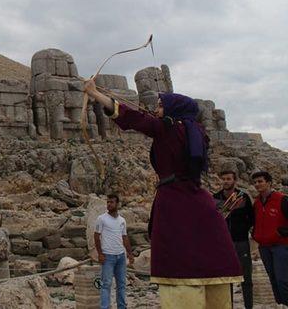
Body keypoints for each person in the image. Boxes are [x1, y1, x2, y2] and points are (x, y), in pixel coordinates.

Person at [84, 80, 241, 309]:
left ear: (173, 109)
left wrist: (94, 92)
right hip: (201, 202)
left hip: (174, 203)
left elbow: (132, 118)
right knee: (211, 259)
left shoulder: (167, 128)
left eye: (160, 106)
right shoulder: (197, 132)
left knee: (177, 260)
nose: (157, 110)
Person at [213, 170, 254, 309]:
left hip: (241, 241)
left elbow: (251, 218)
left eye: (228, 178)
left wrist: (243, 230)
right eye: (223, 178)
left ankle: (249, 306)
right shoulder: (215, 197)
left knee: (246, 277)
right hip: (223, 244)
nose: (226, 181)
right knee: (226, 277)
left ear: (234, 180)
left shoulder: (243, 197)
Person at [251, 170, 288, 305]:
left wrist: (281, 232)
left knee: (282, 279)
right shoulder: (257, 203)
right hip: (264, 247)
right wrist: (256, 236)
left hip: (281, 246)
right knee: (273, 279)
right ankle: (281, 305)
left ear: (269, 182)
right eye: (255, 182)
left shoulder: (282, 199)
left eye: (260, 181)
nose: (257, 184)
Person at [94, 194, 134, 309]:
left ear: (117, 204)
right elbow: (96, 236)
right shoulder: (101, 219)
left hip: (121, 256)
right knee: (106, 284)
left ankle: (122, 306)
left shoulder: (122, 220)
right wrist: (100, 253)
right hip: (108, 256)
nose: (109, 204)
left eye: (111, 202)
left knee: (121, 284)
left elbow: (125, 237)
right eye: (108, 202)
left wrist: (130, 254)